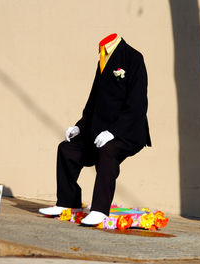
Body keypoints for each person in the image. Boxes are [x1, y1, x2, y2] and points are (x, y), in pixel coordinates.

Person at [39, 33, 151, 225]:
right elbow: (94, 102)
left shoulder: (133, 58)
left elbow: (137, 105)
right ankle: (67, 202)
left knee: (108, 152)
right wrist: (79, 127)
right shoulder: (102, 58)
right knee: (66, 149)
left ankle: (100, 209)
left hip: (127, 131)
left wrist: (113, 132)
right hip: (98, 131)